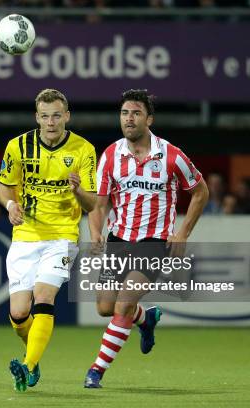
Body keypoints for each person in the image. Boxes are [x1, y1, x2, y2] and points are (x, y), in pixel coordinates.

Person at [84, 89, 208, 388]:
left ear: (149, 119)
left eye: (136, 113)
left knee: (122, 306)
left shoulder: (171, 156)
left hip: (154, 242)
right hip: (118, 239)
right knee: (105, 307)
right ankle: (146, 318)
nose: (129, 118)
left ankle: (95, 372)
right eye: (125, 112)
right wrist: (96, 231)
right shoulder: (111, 155)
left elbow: (200, 191)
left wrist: (182, 233)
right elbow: (100, 204)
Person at [0, 88, 97, 392]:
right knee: (18, 314)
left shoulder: (83, 149)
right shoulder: (18, 147)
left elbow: (92, 204)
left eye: (56, 115)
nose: (51, 122)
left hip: (62, 237)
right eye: (45, 116)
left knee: (44, 297)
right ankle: (33, 356)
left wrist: (78, 190)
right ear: (36, 117)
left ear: (66, 116)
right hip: (25, 236)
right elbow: (4, 188)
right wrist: (10, 205)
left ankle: (26, 368)